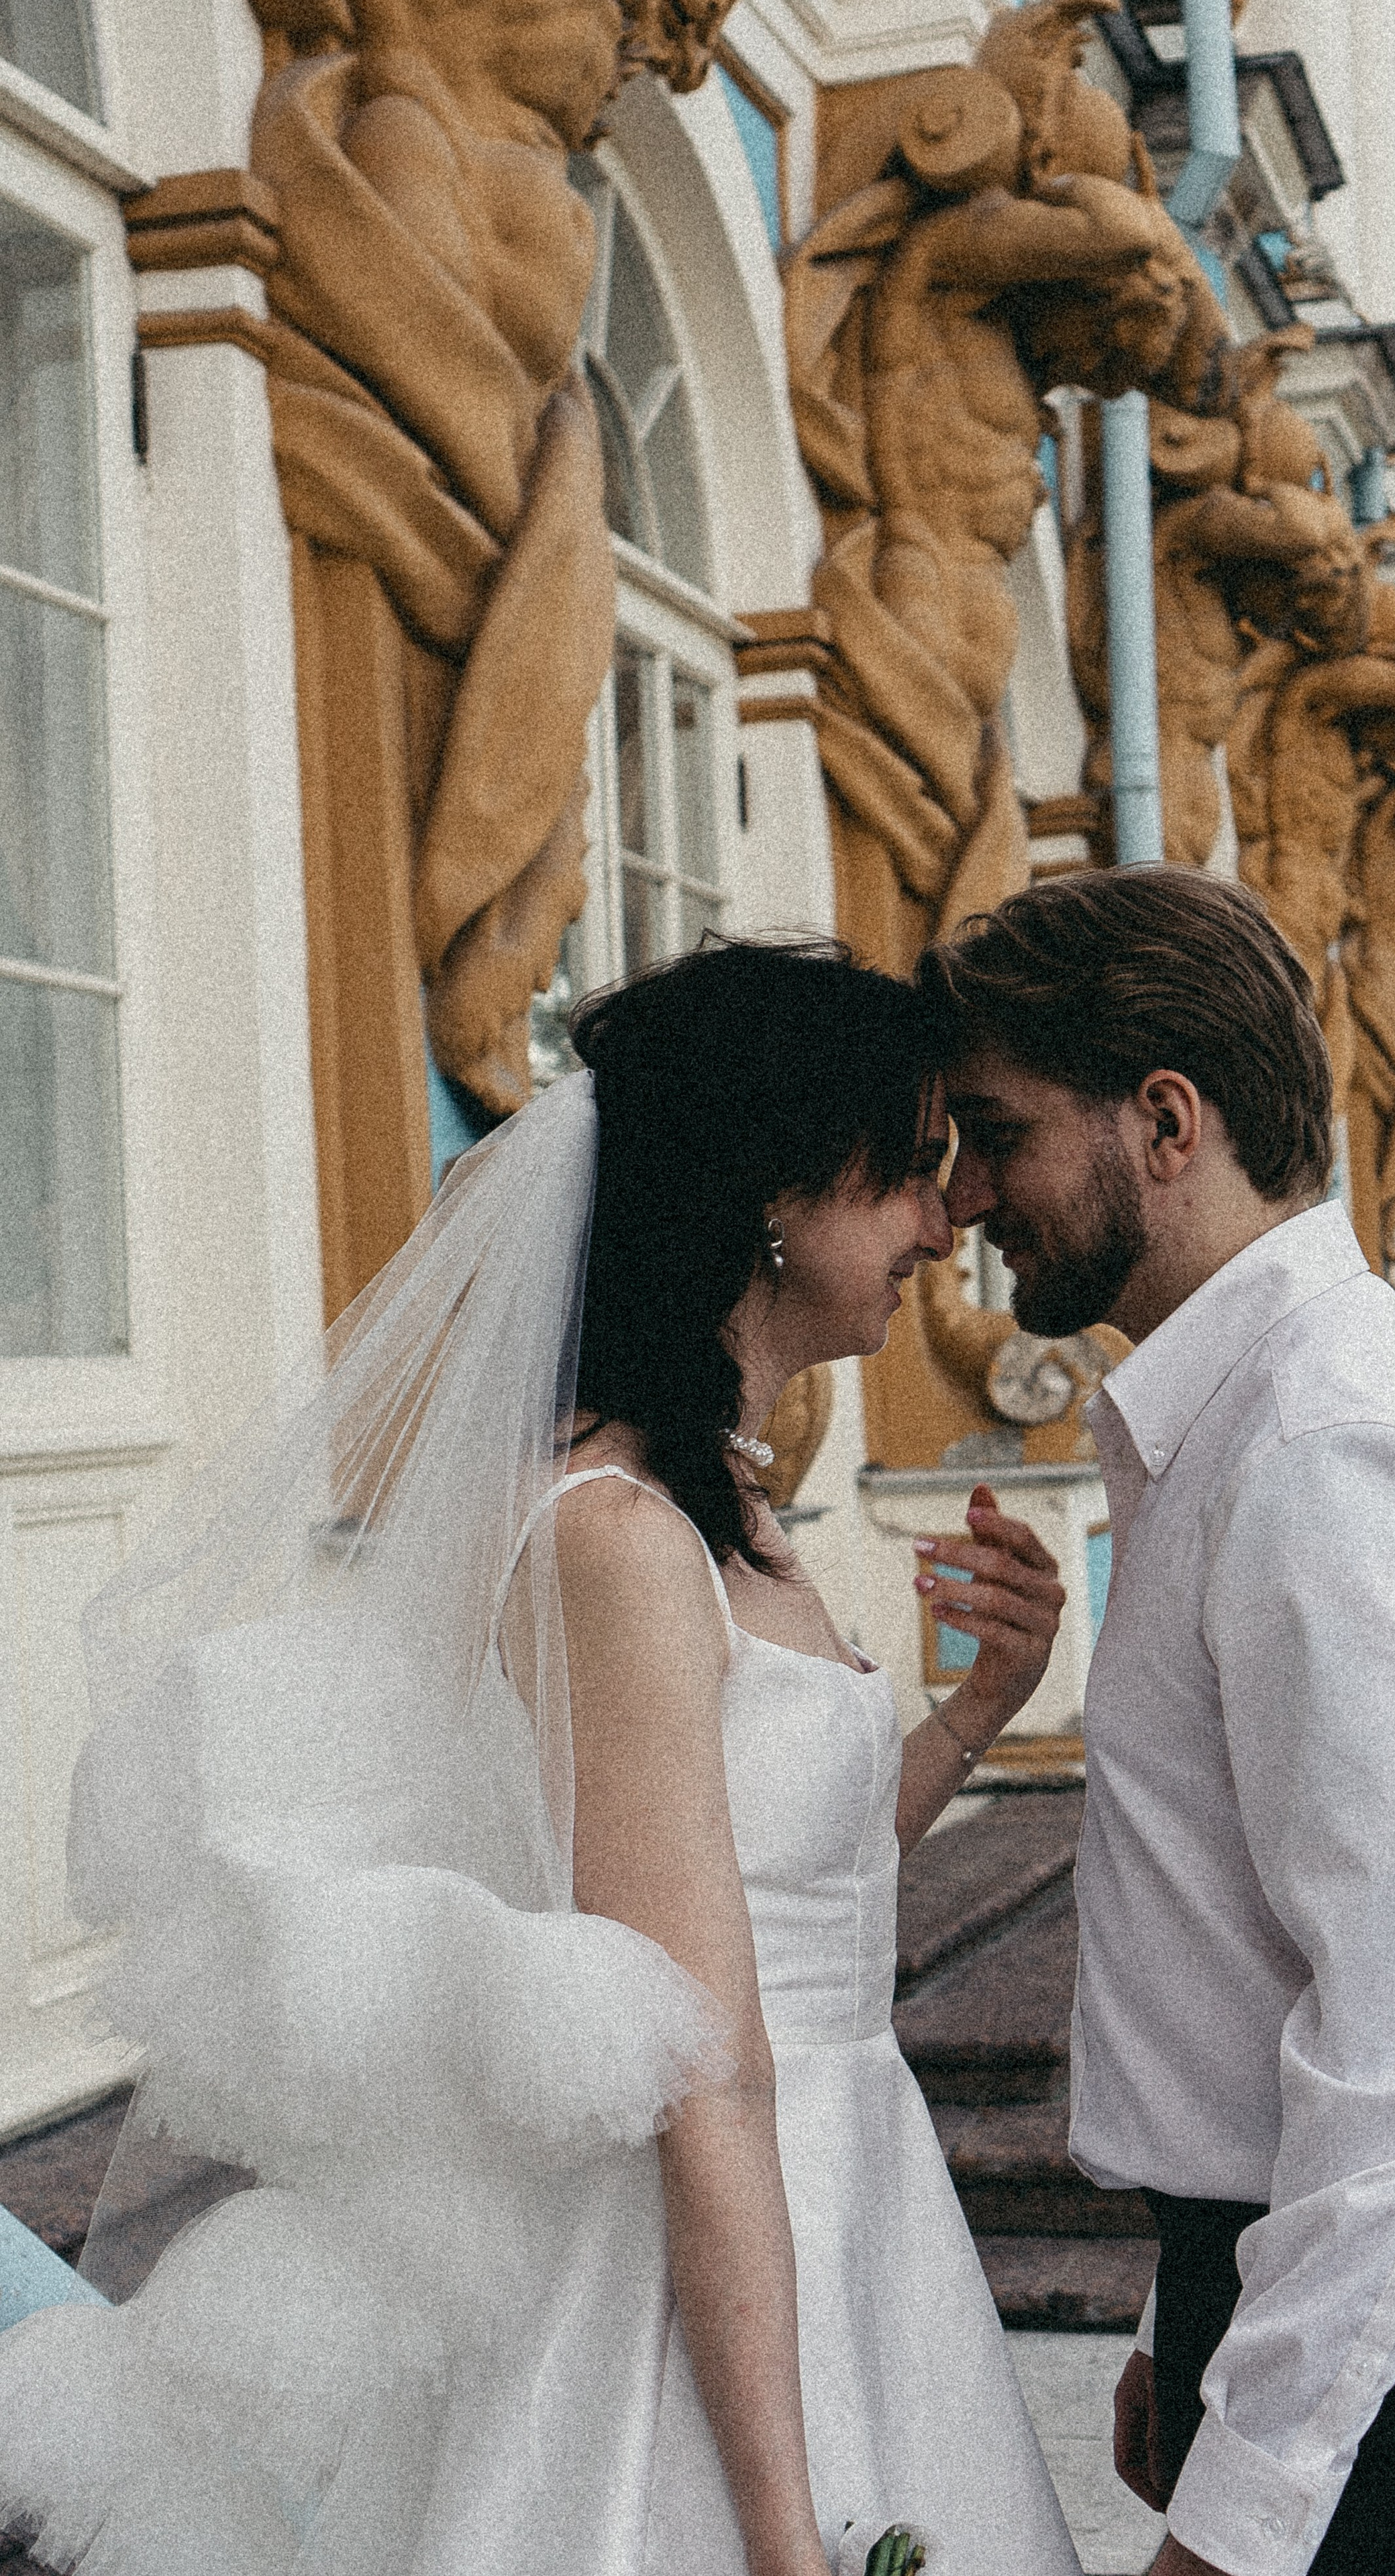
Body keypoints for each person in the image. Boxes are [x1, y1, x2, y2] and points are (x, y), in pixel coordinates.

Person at [0, 939, 1080, 2576]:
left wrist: (968, 1714)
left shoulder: (718, 1493)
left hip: (849, 2190)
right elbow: (704, 2059)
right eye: (909, 1174)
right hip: (694, 2245)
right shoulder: (616, 1536)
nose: (942, 1224)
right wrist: (784, 2538)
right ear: (777, 1196)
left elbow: (794, 1894)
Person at [917, 870, 1395, 2576]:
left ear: (1165, 1121)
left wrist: (1252, 2490)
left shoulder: (1321, 1445)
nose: (966, 1198)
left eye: (995, 1134)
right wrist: (1194, 2324)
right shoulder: (1247, 1419)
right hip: (1349, 2297)